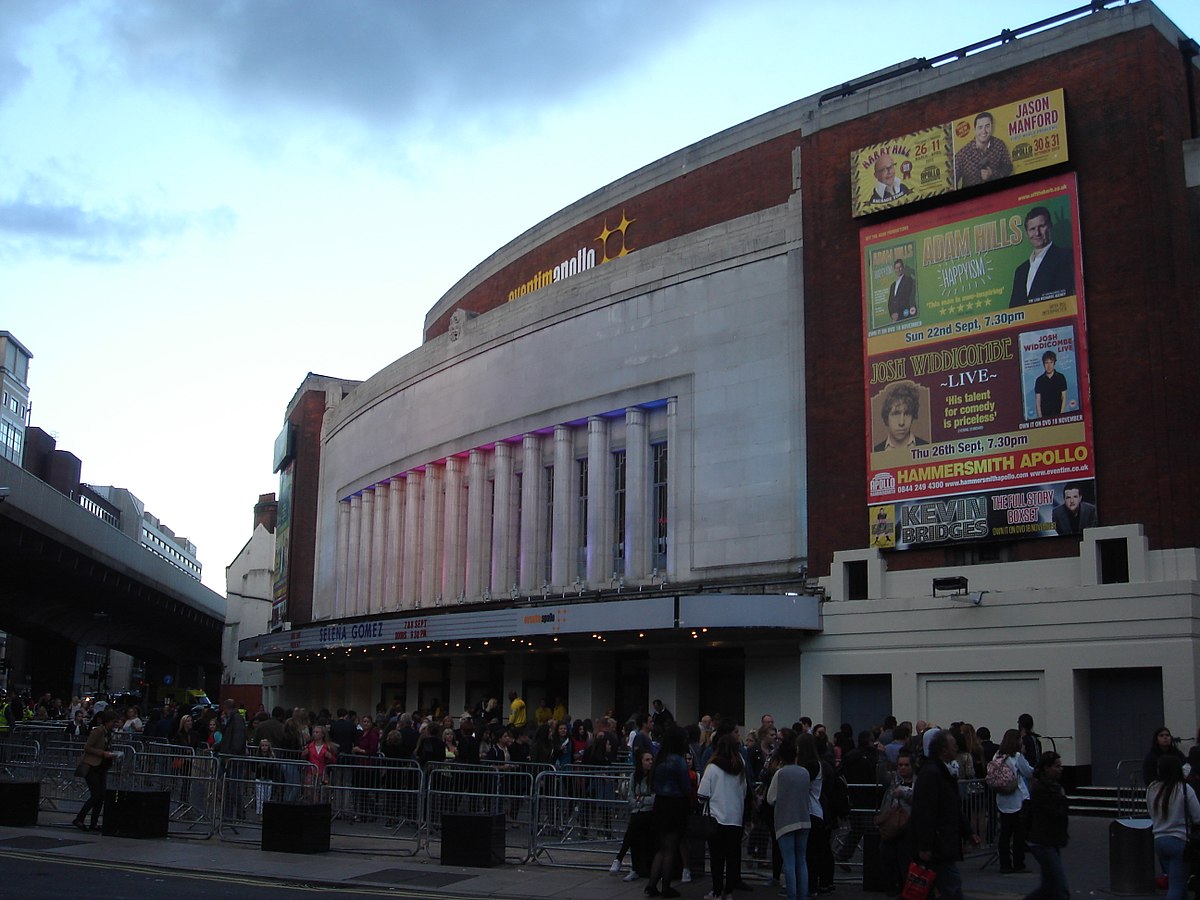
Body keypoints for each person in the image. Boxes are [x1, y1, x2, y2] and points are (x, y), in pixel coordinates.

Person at [910, 730, 980, 900]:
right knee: (951, 886)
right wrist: (925, 845)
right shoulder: (933, 773)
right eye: (953, 745)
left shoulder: (941, 772)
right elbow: (925, 811)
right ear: (943, 750)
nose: (956, 748)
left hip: (941, 841)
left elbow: (952, 806)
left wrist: (968, 832)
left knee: (941, 886)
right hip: (939, 842)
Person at [698, 733, 748, 900]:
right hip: (735, 817)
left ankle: (717, 891)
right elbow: (744, 790)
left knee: (716, 858)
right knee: (732, 857)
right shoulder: (740, 766)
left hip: (716, 817)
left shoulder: (712, 767)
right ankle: (729, 891)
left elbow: (702, 793)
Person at [646, 725, 692, 899]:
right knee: (671, 848)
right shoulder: (678, 761)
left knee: (662, 848)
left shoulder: (660, 758)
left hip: (660, 804)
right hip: (675, 805)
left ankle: (652, 885)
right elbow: (686, 787)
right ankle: (666, 887)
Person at [1147, 754, 1200, 900]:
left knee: (1178, 883)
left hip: (1159, 840)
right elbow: (1197, 816)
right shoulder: (1184, 789)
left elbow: (1151, 812)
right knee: (1176, 887)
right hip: (1179, 840)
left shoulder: (1152, 788)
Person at [768, 734, 812, 900]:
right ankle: (803, 895)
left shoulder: (780, 774)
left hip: (785, 821)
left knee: (789, 861)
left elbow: (770, 798)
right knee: (802, 860)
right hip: (804, 818)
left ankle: (792, 895)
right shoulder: (805, 772)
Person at [1025, 751, 1070, 900]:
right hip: (1043, 841)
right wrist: (1063, 799)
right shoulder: (1041, 789)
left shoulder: (1053, 787)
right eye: (1056, 766)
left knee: (1048, 886)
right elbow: (1055, 813)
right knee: (1060, 886)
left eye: (1060, 766)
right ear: (1046, 768)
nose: (1060, 769)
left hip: (1050, 840)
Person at [1009, 207, 1075, 307]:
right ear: (1027, 234)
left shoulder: (1066, 257)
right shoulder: (1020, 271)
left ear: (1050, 226)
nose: (1037, 233)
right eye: (1032, 229)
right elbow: (1014, 308)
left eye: (1041, 226)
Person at [611, 749, 657, 880]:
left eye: (651, 759)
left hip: (649, 812)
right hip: (637, 811)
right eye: (647, 760)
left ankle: (619, 858)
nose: (650, 762)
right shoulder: (634, 776)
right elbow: (630, 797)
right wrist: (638, 802)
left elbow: (654, 798)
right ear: (640, 762)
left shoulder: (654, 777)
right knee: (634, 829)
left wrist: (641, 800)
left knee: (633, 827)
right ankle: (633, 867)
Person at [994, 728, 1035, 873]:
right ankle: (1018, 863)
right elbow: (1028, 772)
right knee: (1018, 834)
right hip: (1018, 798)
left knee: (1004, 833)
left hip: (1002, 798)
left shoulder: (997, 755)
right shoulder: (1017, 756)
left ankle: (1004, 864)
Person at [72, 709, 120, 831]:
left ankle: (93, 822)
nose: (115, 725)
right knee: (96, 795)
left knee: (101, 795)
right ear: (108, 721)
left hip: (101, 767)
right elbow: (87, 747)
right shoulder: (98, 731)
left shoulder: (108, 733)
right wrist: (102, 753)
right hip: (91, 766)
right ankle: (79, 818)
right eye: (113, 722)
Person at [876, 749, 915, 895]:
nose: (903, 768)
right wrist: (881, 755)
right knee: (887, 857)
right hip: (892, 825)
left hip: (909, 826)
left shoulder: (918, 782)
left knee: (905, 860)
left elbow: (918, 799)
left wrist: (903, 793)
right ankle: (892, 887)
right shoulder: (893, 780)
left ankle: (906, 888)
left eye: (906, 765)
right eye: (900, 765)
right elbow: (881, 774)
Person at [954, 110, 1013, 187]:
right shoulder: (962, 154)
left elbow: (1008, 167)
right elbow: (953, 181)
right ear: (975, 129)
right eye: (980, 127)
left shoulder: (999, 145)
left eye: (987, 126)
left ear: (992, 127)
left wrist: (992, 173)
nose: (984, 131)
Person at [873, 380, 928, 451]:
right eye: (896, 414)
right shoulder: (876, 451)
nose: (901, 422)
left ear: (913, 417)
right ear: (886, 418)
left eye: (907, 414)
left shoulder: (927, 447)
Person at [1034, 351, 1068, 419]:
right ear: (1043, 364)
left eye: (1051, 362)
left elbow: (1064, 398)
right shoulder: (1039, 380)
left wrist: (1061, 415)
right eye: (1046, 363)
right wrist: (1041, 419)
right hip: (1045, 416)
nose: (1049, 366)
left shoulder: (1061, 377)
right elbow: (1038, 402)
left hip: (1058, 414)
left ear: (1054, 363)